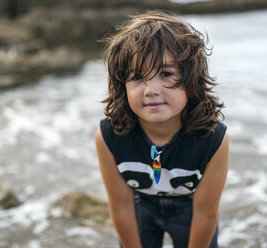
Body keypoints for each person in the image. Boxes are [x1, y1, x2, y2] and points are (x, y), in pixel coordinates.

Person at [95, 11, 229, 248]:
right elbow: (121, 206)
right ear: (121, 84)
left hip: (191, 208)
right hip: (139, 205)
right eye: (137, 76)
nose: (151, 89)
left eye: (166, 73)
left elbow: (206, 213)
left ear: (192, 79)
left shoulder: (212, 138)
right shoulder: (110, 135)